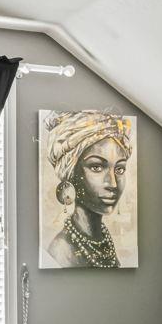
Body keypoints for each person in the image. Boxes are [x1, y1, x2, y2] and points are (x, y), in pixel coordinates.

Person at [44, 111, 132, 268]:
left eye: (119, 169)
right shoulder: (61, 250)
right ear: (71, 173)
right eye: (96, 167)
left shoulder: (103, 241)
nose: (112, 183)